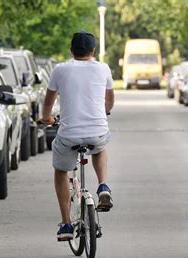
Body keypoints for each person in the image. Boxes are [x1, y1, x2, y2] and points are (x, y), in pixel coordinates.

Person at [40, 31, 115, 241]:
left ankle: (65, 225)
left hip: (69, 134)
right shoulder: (103, 68)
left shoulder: (60, 69)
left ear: (71, 50)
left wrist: (46, 118)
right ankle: (103, 185)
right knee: (100, 146)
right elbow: (109, 100)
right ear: (93, 51)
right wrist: (105, 111)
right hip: (96, 130)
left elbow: (48, 102)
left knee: (61, 170)